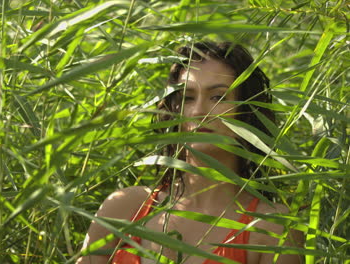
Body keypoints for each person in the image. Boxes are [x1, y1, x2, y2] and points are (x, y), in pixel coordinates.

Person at [76, 41, 303, 264]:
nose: (198, 111)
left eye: (218, 97)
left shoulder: (271, 228)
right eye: (188, 97)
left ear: (247, 111)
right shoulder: (126, 207)